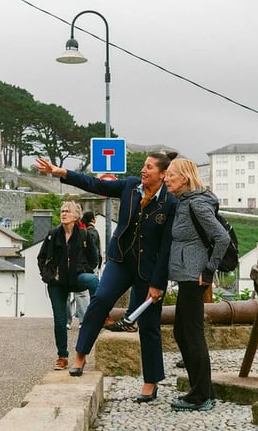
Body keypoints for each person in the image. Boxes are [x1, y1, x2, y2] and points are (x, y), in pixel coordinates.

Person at [36, 153, 177, 402]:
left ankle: (150, 382)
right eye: (143, 165)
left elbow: (167, 247)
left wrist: (158, 283)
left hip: (149, 270)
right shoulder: (130, 186)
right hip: (120, 261)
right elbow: (95, 184)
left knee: (149, 325)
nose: (144, 170)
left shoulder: (170, 202)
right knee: (100, 299)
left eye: (150, 167)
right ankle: (80, 354)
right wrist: (62, 173)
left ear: (163, 174)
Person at [164, 157, 230, 412]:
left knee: (192, 334)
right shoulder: (184, 201)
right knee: (182, 332)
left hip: (194, 277)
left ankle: (201, 396)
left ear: (185, 178)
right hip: (186, 276)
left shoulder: (197, 205)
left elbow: (221, 238)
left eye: (171, 175)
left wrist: (209, 269)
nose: (167, 178)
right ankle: (201, 390)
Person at [37, 201, 100, 370]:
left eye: (68, 211)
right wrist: (47, 275)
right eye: (62, 211)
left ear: (76, 216)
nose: (64, 214)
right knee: (60, 320)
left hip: (76, 278)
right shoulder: (53, 234)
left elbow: (94, 259)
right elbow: (41, 258)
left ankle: (100, 313)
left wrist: (82, 270)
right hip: (57, 282)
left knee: (93, 280)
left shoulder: (84, 235)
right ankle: (62, 356)